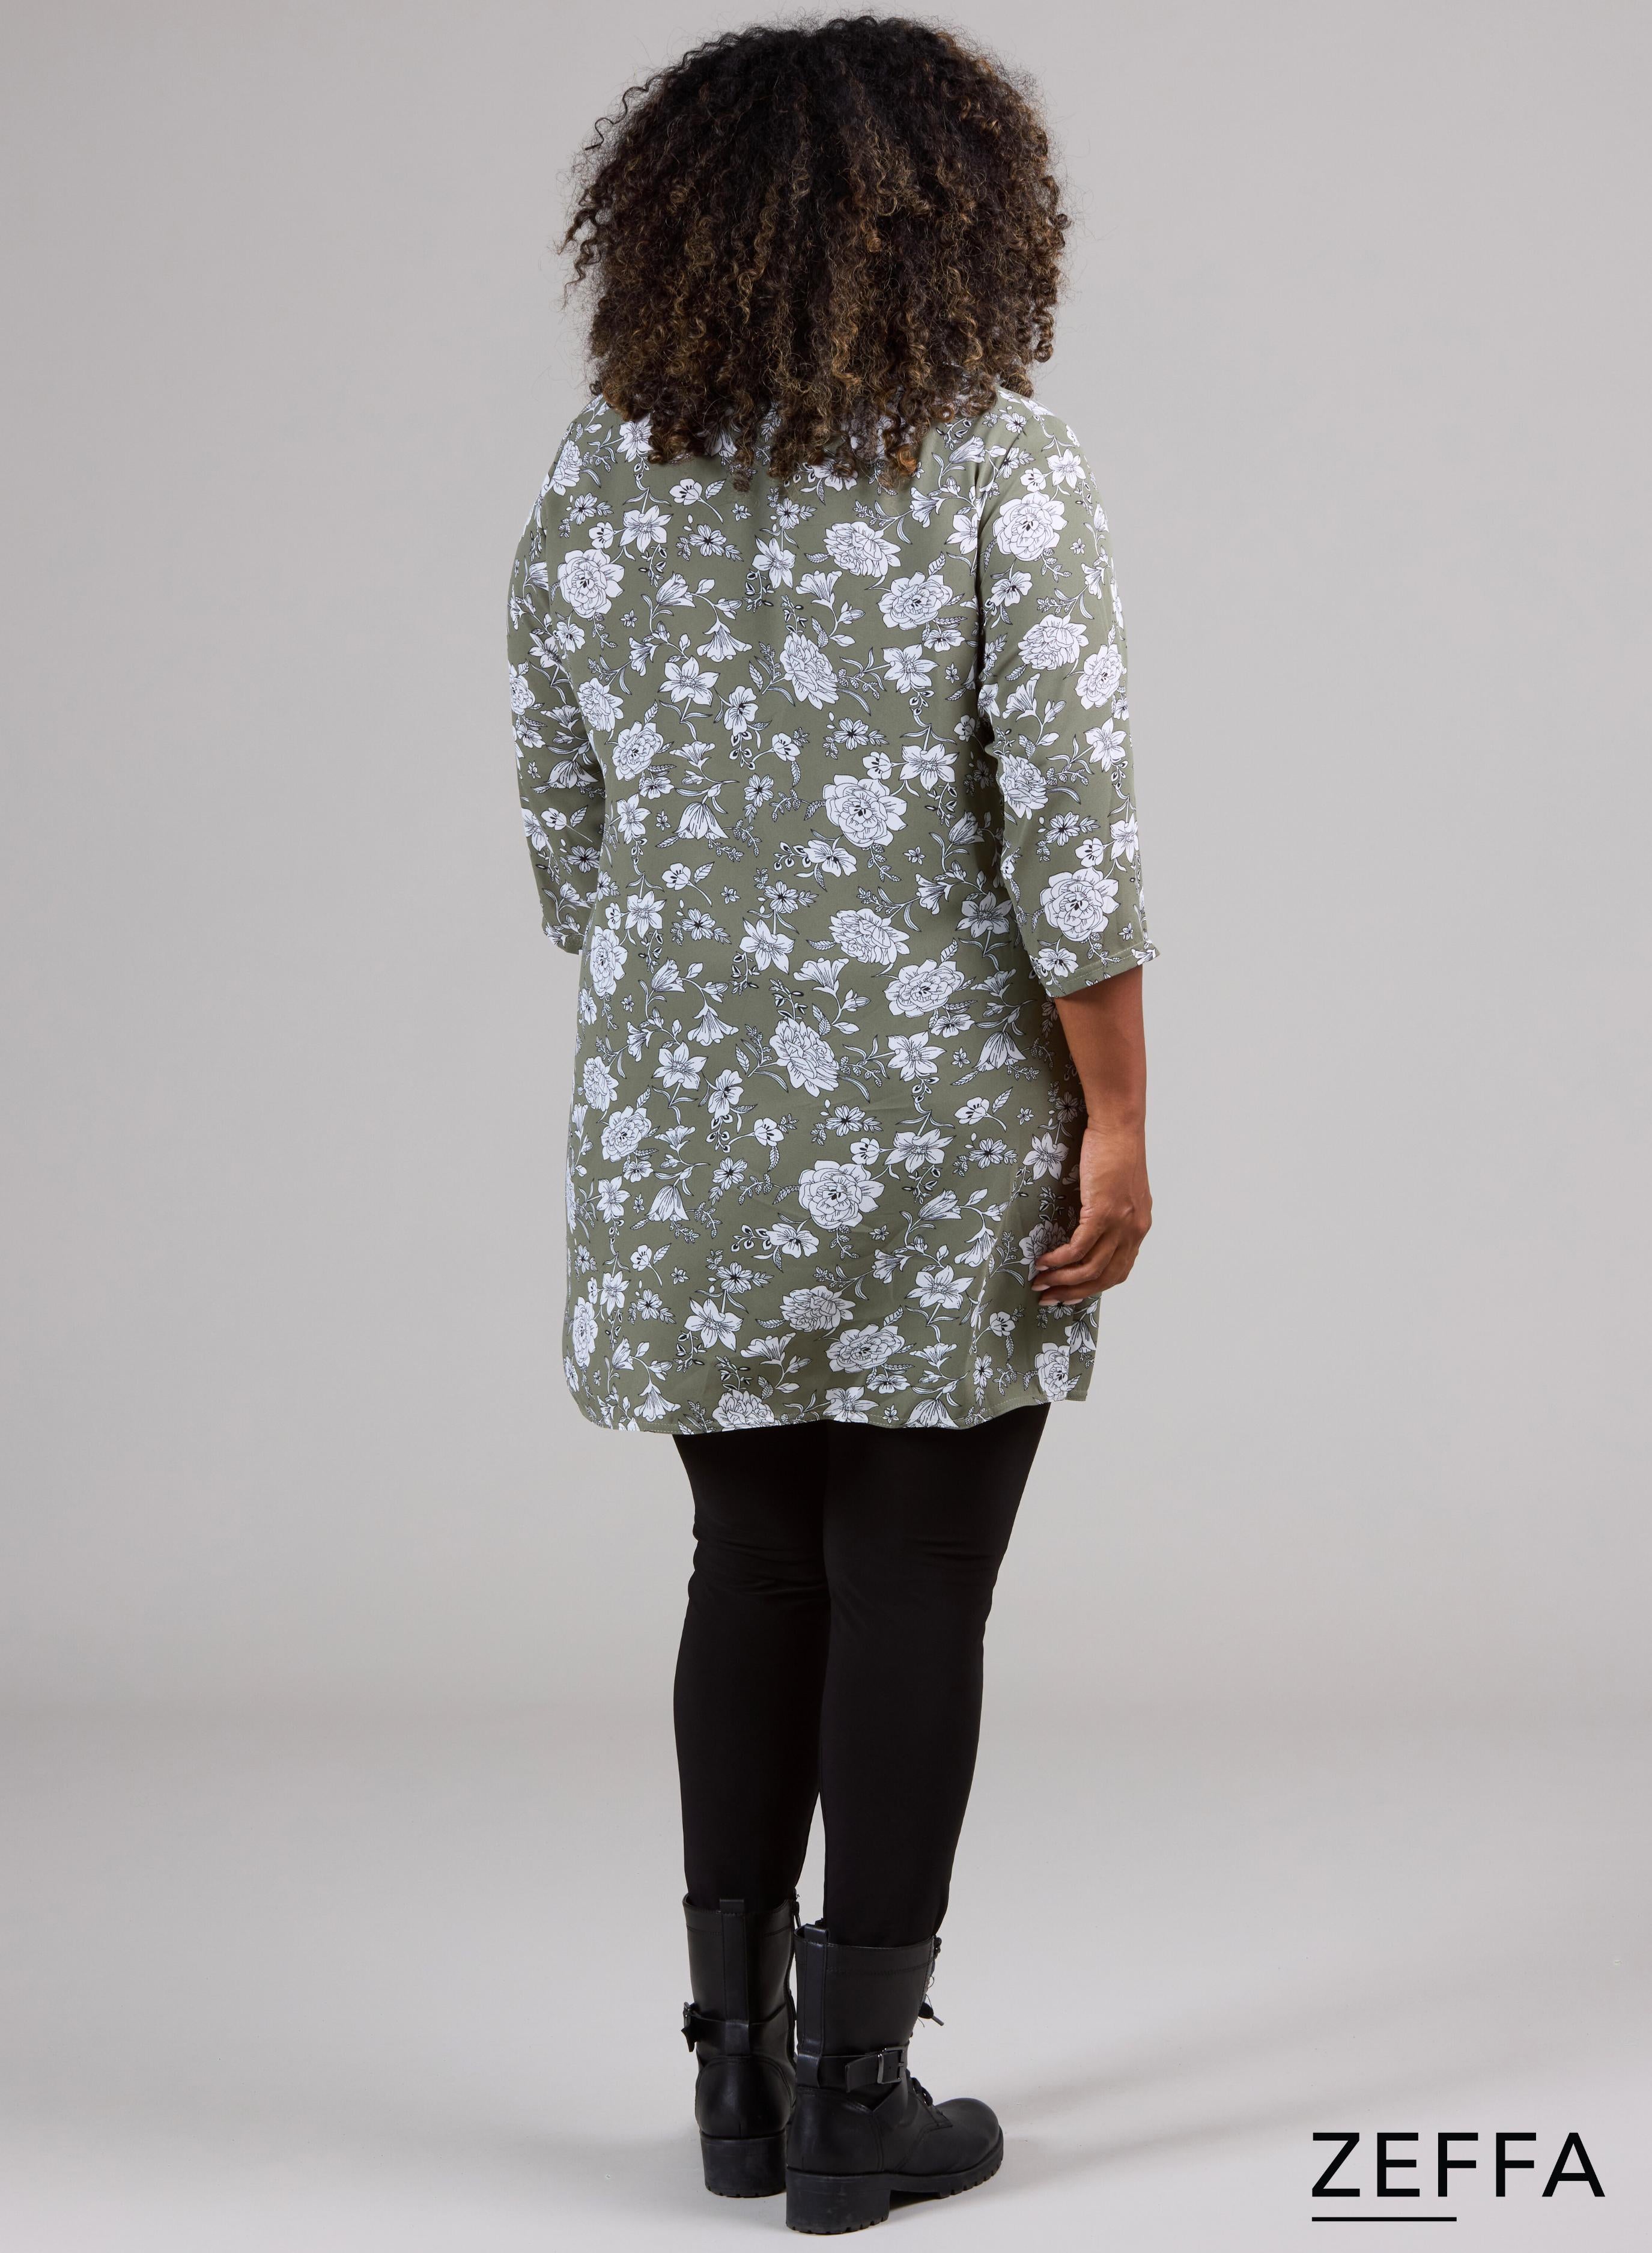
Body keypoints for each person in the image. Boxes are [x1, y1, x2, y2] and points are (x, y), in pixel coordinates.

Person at [507, 16, 1153, 2233]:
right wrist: (1119, 1121)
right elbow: (1073, 835)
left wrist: (704, 982)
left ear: (673, 226)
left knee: (752, 1562)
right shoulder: (997, 465)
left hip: (684, 1121)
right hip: (942, 1114)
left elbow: (565, 815)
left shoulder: (606, 471)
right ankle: (860, 2099)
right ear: (960, 218)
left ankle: (734, 2086)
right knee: (915, 1578)